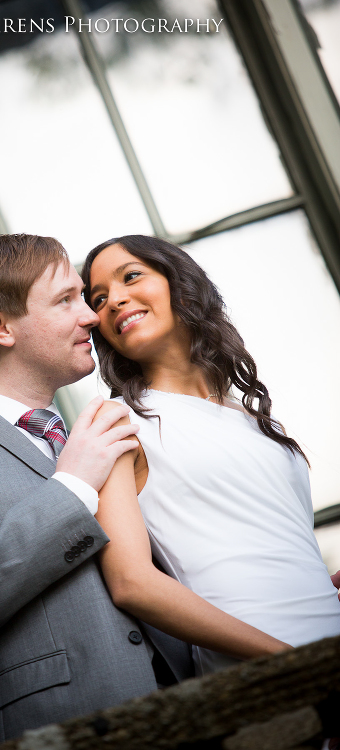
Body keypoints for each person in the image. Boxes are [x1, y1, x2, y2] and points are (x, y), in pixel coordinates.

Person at [0, 233, 199, 747]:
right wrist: (72, 486)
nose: (92, 316)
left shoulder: (94, 438)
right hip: (62, 730)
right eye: (66, 300)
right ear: (1, 327)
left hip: (198, 714)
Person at [81, 234, 340, 677]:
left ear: (178, 281)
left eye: (131, 276)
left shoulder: (257, 419)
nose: (114, 301)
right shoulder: (118, 423)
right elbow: (131, 584)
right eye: (98, 298)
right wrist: (294, 666)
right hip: (259, 671)